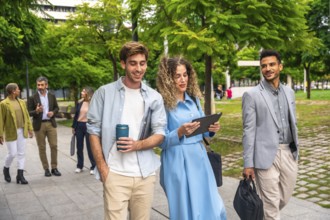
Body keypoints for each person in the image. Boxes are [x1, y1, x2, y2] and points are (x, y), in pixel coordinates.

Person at [87, 41, 167, 220]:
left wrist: (137, 145)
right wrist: (103, 168)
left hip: (145, 175)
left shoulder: (154, 97)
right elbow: (93, 131)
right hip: (115, 173)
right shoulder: (104, 93)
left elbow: (160, 133)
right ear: (123, 64)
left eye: (142, 63)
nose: (139, 69)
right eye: (133, 63)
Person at [156, 56, 227, 220]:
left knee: (216, 209)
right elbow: (160, 141)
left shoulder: (194, 100)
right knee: (187, 213)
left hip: (200, 159)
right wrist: (179, 132)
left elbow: (203, 131)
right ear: (168, 79)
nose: (182, 80)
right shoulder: (162, 104)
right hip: (177, 161)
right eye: (177, 76)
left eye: (185, 74)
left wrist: (211, 129)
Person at [242, 50, 299, 220]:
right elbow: (248, 130)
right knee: (271, 203)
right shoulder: (251, 95)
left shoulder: (290, 93)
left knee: (283, 197)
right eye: (264, 66)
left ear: (280, 67)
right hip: (265, 155)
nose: (268, 68)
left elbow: (293, 123)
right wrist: (248, 164)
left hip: (288, 152)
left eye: (272, 64)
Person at [28, 76, 62, 177]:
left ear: (46, 85)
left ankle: (54, 167)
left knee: (54, 146)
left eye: (42, 85)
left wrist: (53, 112)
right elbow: (28, 112)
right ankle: (46, 168)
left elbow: (57, 108)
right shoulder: (32, 97)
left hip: (51, 123)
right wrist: (36, 111)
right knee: (42, 147)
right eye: (38, 85)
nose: (40, 87)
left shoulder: (51, 96)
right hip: (39, 125)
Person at [0, 83, 33, 184]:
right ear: (13, 91)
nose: (19, 90)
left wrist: (30, 128)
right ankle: (6, 169)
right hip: (11, 131)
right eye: (18, 89)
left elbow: (26, 115)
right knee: (12, 153)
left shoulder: (22, 102)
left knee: (21, 153)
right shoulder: (4, 104)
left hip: (22, 130)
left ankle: (20, 175)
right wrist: (0, 134)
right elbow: (1, 120)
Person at [71, 87, 96, 174]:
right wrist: (73, 127)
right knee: (79, 147)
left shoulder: (93, 103)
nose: (81, 92)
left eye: (83, 91)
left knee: (90, 148)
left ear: (88, 93)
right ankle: (79, 166)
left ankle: (93, 166)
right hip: (79, 126)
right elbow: (76, 115)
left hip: (89, 126)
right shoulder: (80, 102)